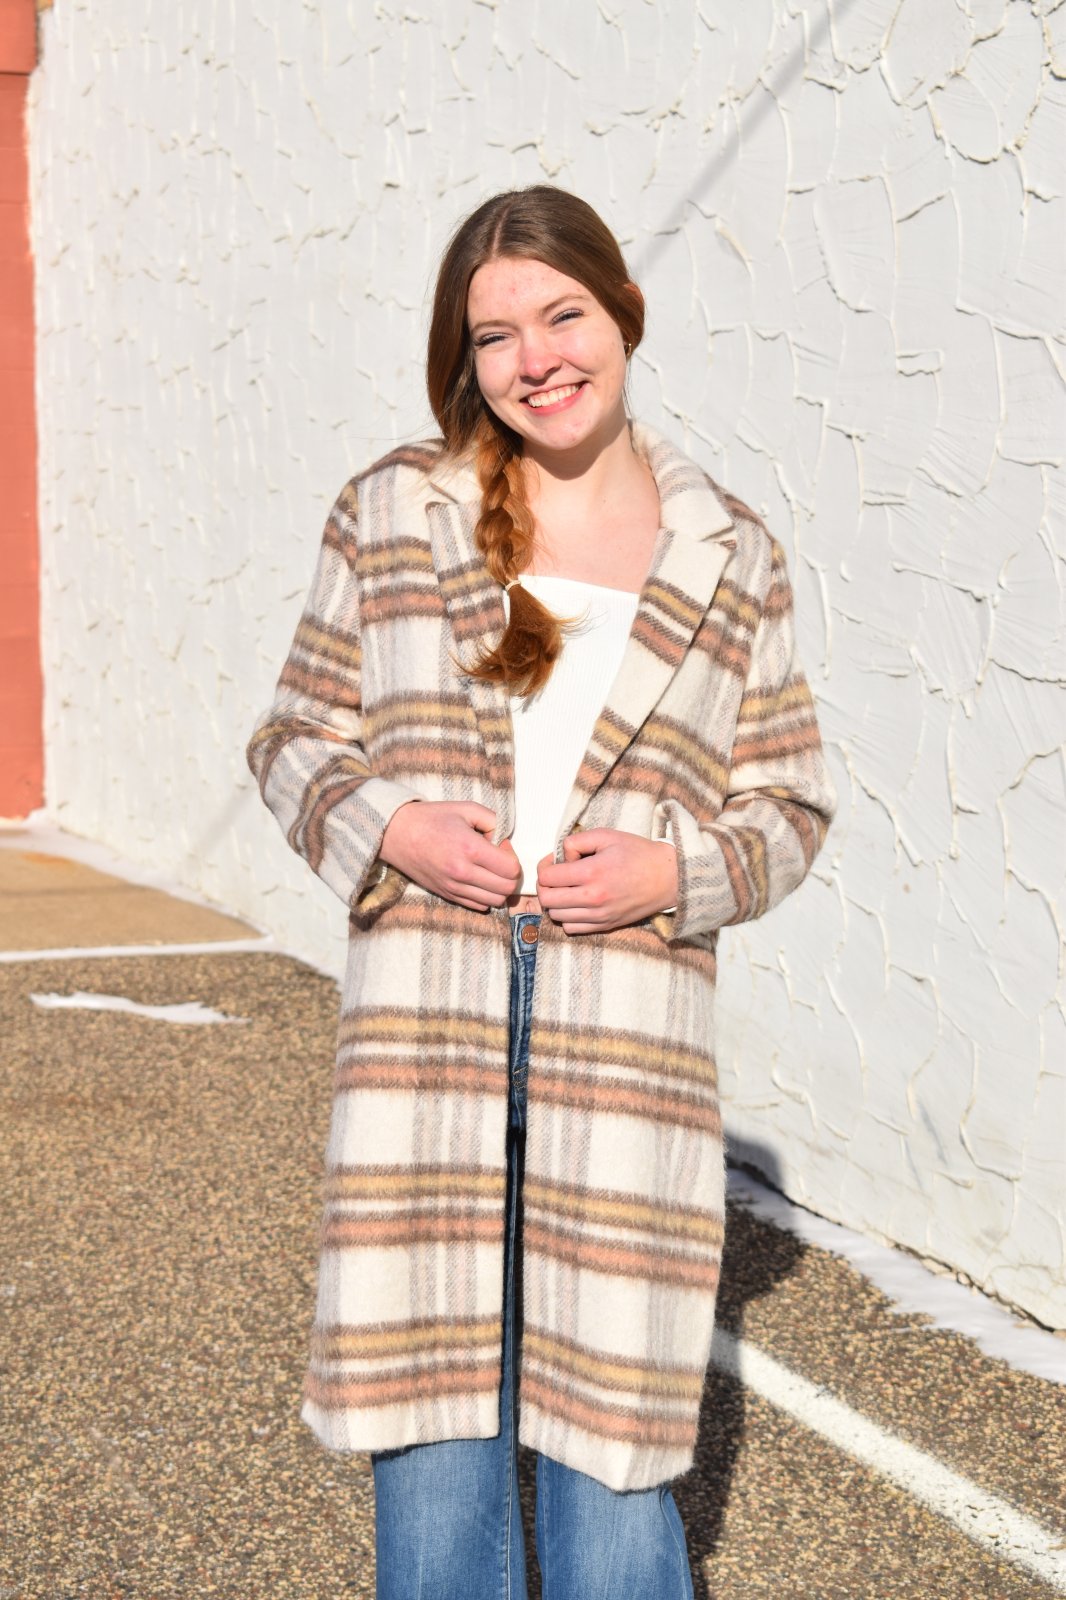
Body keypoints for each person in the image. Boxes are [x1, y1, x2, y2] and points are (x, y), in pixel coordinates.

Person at [246, 185, 836, 1599]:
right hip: (427, 1022)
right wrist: (392, 829)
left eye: (562, 315)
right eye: (495, 334)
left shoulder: (729, 553)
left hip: (625, 1035)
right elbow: (292, 738)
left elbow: (791, 804)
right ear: (466, 359)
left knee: (611, 1441)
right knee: (433, 1432)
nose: (536, 359)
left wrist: (673, 871)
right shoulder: (399, 509)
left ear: (623, 313)